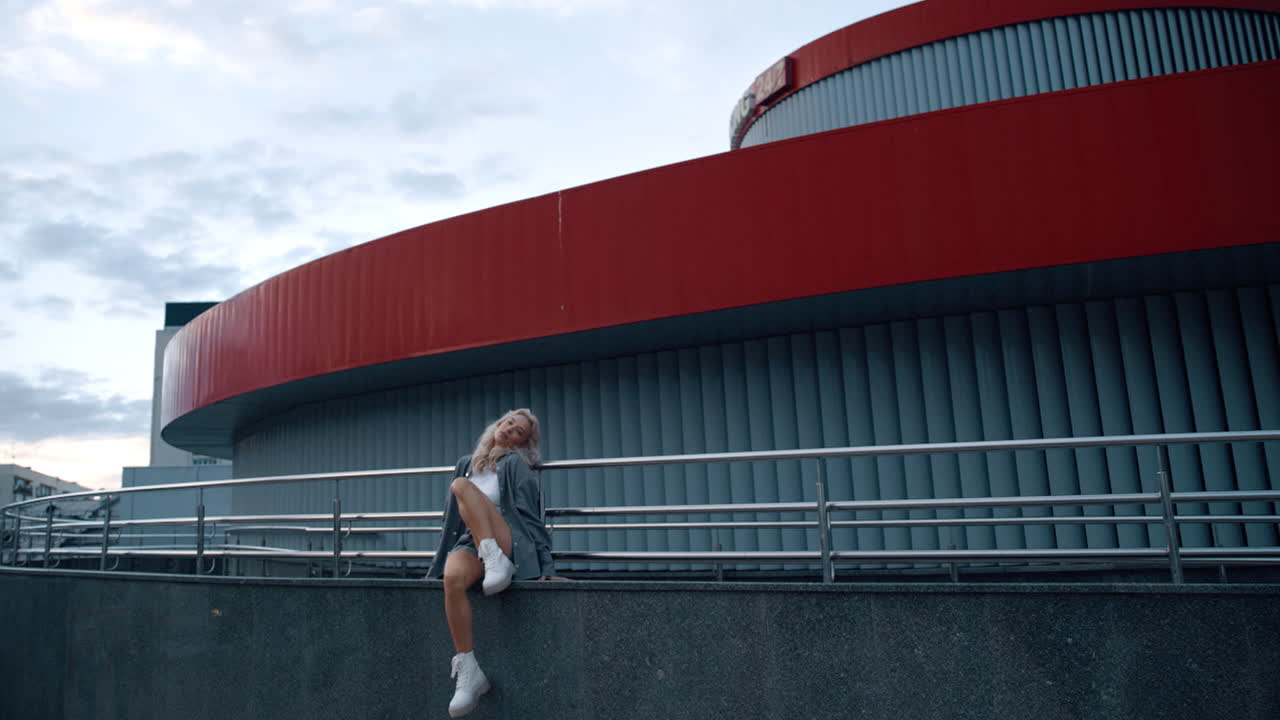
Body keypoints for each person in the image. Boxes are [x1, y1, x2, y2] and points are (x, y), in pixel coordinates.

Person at [426, 408, 557, 718]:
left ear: (523, 443)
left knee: (459, 486)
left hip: (507, 539)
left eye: (519, 432)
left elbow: (530, 518)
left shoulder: (515, 465)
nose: (510, 430)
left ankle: (497, 559)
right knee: (453, 579)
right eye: (509, 423)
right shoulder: (465, 464)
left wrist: (547, 569)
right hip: (471, 543)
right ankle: (469, 670)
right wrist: (437, 562)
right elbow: (452, 524)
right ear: (500, 423)